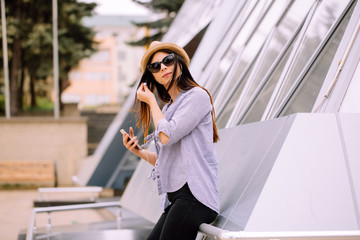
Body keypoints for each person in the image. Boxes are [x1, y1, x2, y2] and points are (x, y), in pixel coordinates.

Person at [121, 41, 220, 240]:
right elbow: (167, 159)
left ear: (180, 64)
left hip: (195, 196)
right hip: (177, 198)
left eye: (168, 60)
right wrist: (139, 151)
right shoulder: (166, 110)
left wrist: (150, 101)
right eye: (155, 66)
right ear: (153, 77)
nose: (163, 67)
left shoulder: (197, 96)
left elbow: (167, 136)